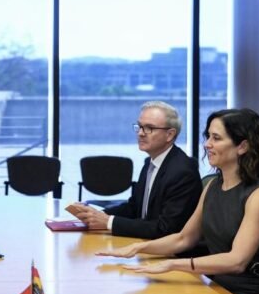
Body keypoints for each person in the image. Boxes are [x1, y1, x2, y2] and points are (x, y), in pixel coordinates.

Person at [98, 108, 259, 294]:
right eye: (207, 136)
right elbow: (184, 239)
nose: (207, 144)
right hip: (221, 286)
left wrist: (172, 265)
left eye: (216, 138)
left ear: (242, 146)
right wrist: (137, 248)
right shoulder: (212, 186)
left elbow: (237, 261)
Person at [75, 101, 202, 239]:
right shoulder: (150, 162)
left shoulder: (183, 172)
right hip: (144, 244)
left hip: (171, 254)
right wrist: (96, 215)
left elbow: (166, 229)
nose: (141, 133)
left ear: (170, 135)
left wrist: (109, 222)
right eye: (140, 127)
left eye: (149, 128)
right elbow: (135, 208)